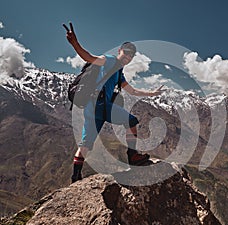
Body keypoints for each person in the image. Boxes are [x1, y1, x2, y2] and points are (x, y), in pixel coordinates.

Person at [63, 22, 164, 183]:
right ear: (119, 51)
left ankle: (75, 176)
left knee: (85, 145)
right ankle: (133, 156)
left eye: (131, 56)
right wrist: (75, 43)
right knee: (131, 121)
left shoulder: (119, 73)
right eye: (126, 53)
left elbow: (132, 91)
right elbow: (88, 57)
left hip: (92, 107)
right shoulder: (108, 60)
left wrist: (153, 93)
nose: (128, 57)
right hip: (100, 104)